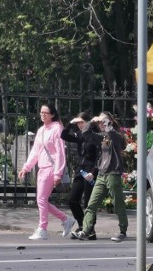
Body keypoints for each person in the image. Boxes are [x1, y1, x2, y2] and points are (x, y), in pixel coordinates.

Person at [17, 104, 76, 240]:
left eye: (46, 113)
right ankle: (66, 219)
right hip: (42, 168)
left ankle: (43, 229)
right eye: (41, 112)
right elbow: (35, 152)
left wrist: (57, 173)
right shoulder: (41, 130)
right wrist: (26, 167)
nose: (42, 115)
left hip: (51, 168)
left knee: (41, 199)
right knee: (41, 200)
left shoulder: (57, 129)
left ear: (52, 114)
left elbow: (60, 152)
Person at [75, 112, 128, 242]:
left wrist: (104, 120)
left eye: (103, 121)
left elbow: (113, 134)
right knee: (91, 205)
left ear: (109, 121)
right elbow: (86, 133)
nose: (101, 123)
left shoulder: (115, 135)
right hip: (102, 174)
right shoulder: (102, 136)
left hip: (113, 174)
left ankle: (123, 231)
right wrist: (92, 121)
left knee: (118, 204)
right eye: (100, 122)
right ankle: (86, 231)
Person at [61, 111, 100, 239]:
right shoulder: (79, 135)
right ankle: (82, 225)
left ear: (88, 122)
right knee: (72, 200)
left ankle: (90, 229)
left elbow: (99, 156)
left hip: (90, 170)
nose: (79, 125)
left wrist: (93, 172)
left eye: (81, 122)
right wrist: (70, 124)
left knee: (89, 202)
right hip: (80, 170)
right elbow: (64, 135)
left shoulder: (95, 136)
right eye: (78, 123)